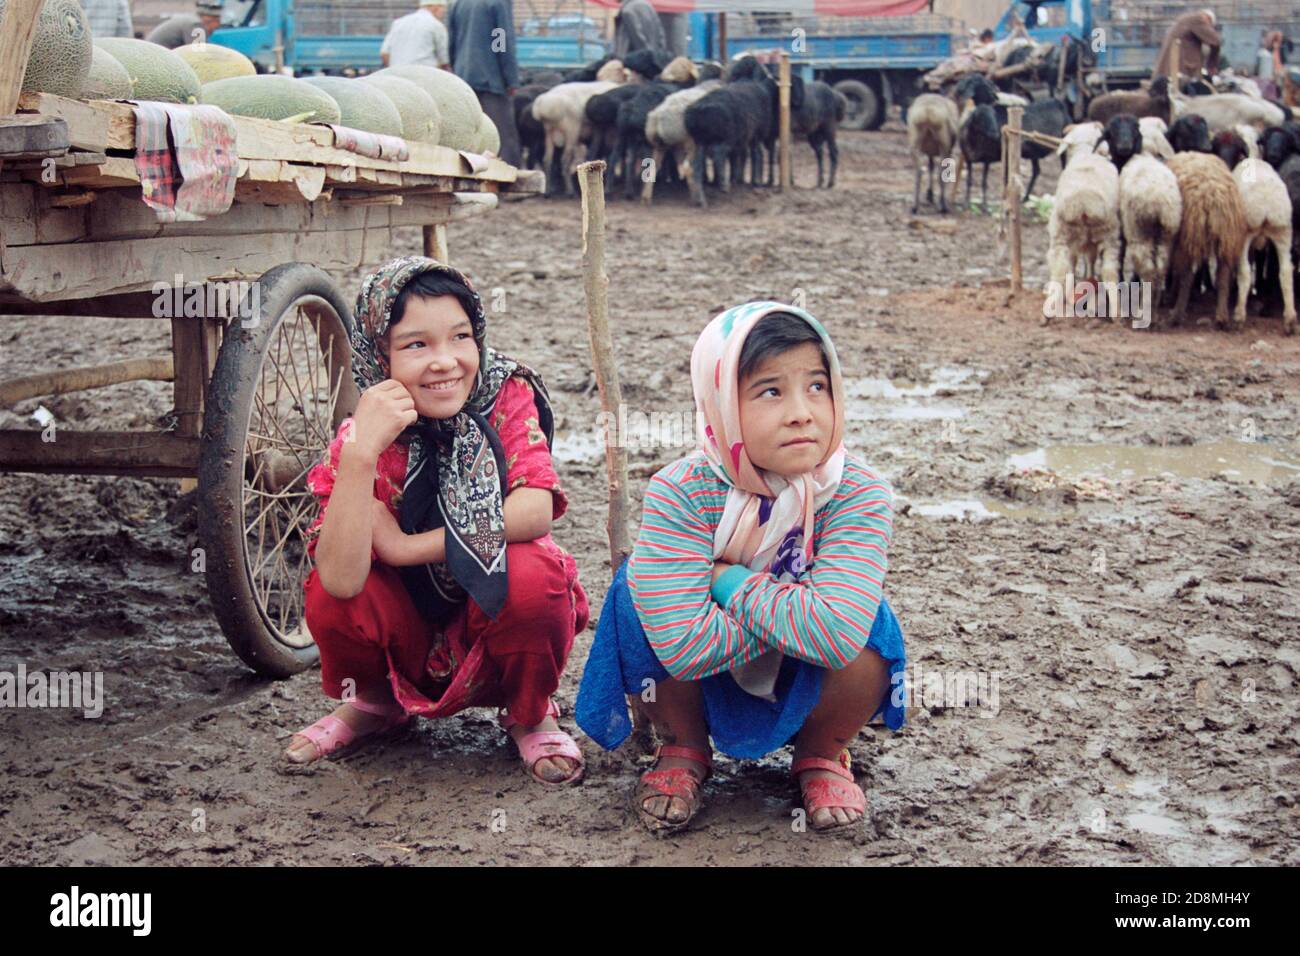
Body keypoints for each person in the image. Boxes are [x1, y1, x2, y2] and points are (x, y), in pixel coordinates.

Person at [575, 302, 906, 833]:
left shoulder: (858, 492)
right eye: (771, 390)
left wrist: (728, 580)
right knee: (636, 594)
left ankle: (822, 752)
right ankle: (682, 745)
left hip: (808, 663)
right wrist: (802, 611)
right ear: (721, 402)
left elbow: (839, 634)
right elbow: (683, 645)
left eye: (817, 386)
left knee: (869, 624)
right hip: (699, 669)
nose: (802, 411)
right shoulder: (682, 491)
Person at [287, 257, 589, 788]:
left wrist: (406, 547)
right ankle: (377, 703)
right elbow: (340, 579)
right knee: (330, 592)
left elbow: (533, 510)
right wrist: (359, 456)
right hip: (406, 621)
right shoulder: (368, 430)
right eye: (416, 345)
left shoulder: (503, 395)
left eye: (460, 337)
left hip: (488, 611)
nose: (445, 362)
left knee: (534, 573)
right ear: (378, 357)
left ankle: (527, 710)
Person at [447, 0, 521, 166]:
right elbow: (500, 40)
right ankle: (507, 175)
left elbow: (452, 42)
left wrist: (457, 70)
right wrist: (511, 78)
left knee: (469, 131)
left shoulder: (458, 4)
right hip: (491, 78)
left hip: (464, 75)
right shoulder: (498, 3)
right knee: (502, 133)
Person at [1155, 8, 1221, 81]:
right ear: (1208, 19)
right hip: (1182, 66)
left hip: (1169, 67)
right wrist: (1211, 65)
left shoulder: (1184, 20)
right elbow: (1216, 41)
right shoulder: (1198, 19)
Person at [381, 2, 450, 69]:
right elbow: (444, 60)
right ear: (436, 8)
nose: (442, 14)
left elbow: (384, 53)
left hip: (397, 74)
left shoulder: (398, 23)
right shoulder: (436, 25)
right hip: (425, 73)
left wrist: (394, 68)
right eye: (443, 11)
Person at [146, 1, 223, 49]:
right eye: (217, 23)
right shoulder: (195, 25)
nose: (214, 29)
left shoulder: (191, 20)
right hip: (155, 57)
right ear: (211, 20)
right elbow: (198, 53)